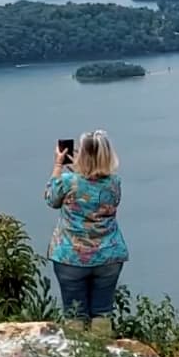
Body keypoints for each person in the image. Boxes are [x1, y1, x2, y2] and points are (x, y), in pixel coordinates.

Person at [44, 129, 127, 337]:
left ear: (83, 155)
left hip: (71, 256)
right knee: (102, 313)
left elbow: (51, 199)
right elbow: (93, 187)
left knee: (75, 315)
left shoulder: (67, 180)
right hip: (108, 256)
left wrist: (58, 165)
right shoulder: (114, 183)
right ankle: (101, 355)